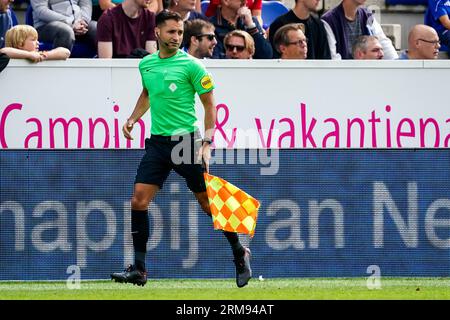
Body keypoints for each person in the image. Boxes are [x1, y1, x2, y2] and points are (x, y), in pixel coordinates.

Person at [110, 10, 252, 288]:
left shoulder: (192, 66)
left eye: (180, 32)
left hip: (187, 143)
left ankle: (239, 251)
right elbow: (148, 93)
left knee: (206, 202)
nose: (176, 37)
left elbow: (210, 105)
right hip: (158, 144)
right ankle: (139, 269)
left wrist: (208, 143)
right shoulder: (147, 65)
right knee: (139, 200)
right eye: (171, 31)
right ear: (157, 33)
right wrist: (132, 118)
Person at [321, 0, 397, 60]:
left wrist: (397, 65)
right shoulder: (329, 20)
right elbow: (333, 58)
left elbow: (384, 43)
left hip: (367, 72)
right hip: (343, 75)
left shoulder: (368, 16)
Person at [30, 0, 97, 52]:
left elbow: (86, 5)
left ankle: (104, 67)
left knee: (97, 28)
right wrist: (70, 22)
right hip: (46, 26)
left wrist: (83, 21)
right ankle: (60, 68)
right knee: (66, 31)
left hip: (77, 22)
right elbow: (41, 11)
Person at [0, 24, 70, 61]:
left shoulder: (38, 55)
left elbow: (66, 52)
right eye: (33, 40)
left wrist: (44, 56)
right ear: (20, 44)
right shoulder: (10, 56)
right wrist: (29, 55)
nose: (38, 43)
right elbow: (4, 51)